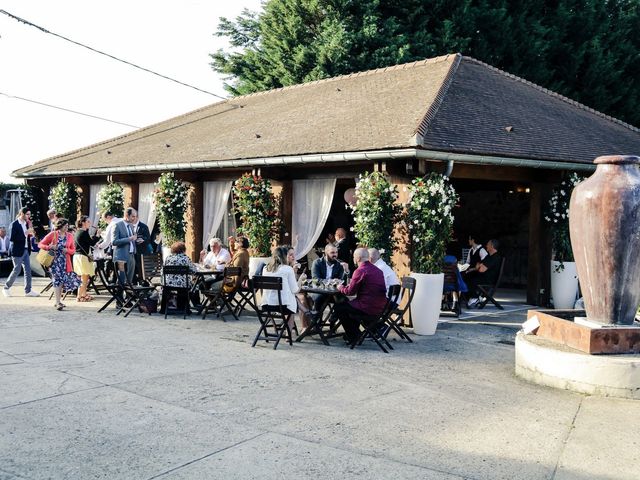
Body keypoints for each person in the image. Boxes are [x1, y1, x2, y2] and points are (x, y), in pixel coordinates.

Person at [335, 247, 387, 344]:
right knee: (348, 306)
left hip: (367, 307)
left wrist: (340, 287)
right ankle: (355, 334)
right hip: (379, 307)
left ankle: (353, 336)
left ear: (358, 259)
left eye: (354, 257)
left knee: (339, 307)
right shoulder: (378, 271)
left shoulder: (360, 270)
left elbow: (350, 292)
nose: (354, 259)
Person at [38, 218, 80, 310]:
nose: (67, 227)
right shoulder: (53, 234)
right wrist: (50, 247)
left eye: (67, 226)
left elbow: (73, 250)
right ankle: (57, 302)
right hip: (54, 262)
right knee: (57, 280)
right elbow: (40, 244)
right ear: (60, 226)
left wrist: (67, 250)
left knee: (62, 281)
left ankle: (58, 301)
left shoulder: (69, 236)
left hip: (65, 262)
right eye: (65, 226)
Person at [261, 246, 305, 329]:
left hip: (266, 304)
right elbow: (295, 290)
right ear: (284, 256)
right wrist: (301, 279)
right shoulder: (287, 269)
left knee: (290, 299)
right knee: (291, 303)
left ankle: (306, 312)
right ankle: (288, 334)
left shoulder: (265, 269)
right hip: (283, 306)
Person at [2, 207, 39, 297]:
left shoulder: (26, 223)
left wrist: (31, 234)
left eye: (30, 214)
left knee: (28, 271)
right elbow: (12, 238)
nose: (29, 216)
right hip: (17, 250)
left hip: (26, 249)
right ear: (22, 213)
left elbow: (27, 236)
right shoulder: (14, 224)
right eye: (27, 214)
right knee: (17, 270)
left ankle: (28, 290)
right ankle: (6, 288)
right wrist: (25, 233)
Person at [309, 243, 345, 318]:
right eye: (332, 252)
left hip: (333, 293)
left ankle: (334, 318)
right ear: (326, 252)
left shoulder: (339, 264)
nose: (335, 255)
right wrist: (331, 282)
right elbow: (315, 279)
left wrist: (346, 271)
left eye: (336, 252)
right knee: (319, 299)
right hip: (319, 291)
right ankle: (316, 322)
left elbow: (342, 280)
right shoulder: (317, 263)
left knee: (344, 300)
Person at [161, 241, 196, 313]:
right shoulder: (185, 258)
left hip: (168, 284)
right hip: (182, 285)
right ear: (183, 249)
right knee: (195, 285)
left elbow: (162, 271)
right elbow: (194, 271)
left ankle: (163, 309)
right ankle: (185, 308)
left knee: (166, 289)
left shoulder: (168, 258)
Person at [73, 215, 101, 302]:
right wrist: (98, 235)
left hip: (77, 256)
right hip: (82, 257)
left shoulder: (78, 232)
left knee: (84, 277)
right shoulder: (83, 233)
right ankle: (79, 296)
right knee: (84, 278)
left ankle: (83, 294)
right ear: (83, 223)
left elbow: (87, 242)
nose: (90, 223)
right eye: (88, 221)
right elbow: (92, 243)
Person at [467, 239, 502, 307]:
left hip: (488, 280)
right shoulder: (489, 256)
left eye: (488, 244)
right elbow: (478, 265)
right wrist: (477, 267)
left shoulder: (495, 257)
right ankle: (475, 297)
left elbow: (481, 269)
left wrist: (479, 266)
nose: (486, 246)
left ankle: (475, 297)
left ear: (492, 246)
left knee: (470, 280)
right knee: (467, 276)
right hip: (483, 277)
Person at [111, 208, 137, 285]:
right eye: (133, 216)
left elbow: (131, 239)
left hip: (131, 255)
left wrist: (136, 240)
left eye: (135, 216)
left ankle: (128, 297)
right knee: (121, 280)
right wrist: (129, 239)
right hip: (121, 256)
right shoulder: (117, 225)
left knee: (129, 280)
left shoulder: (131, 226)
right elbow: (114, 242)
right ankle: (119, 296)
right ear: (126, 215)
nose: (134, 218)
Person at [130, 211, 151, 283]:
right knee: (132, 269)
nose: (132, 218)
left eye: (134, 217)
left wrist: (143, 240)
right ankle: (133, 283)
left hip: (141, 251)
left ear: (137, 217)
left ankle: (142, 282)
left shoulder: (144, 226)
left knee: (140, 269)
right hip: (131, 252)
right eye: (131, 216)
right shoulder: (128, 226)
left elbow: (148, 239)